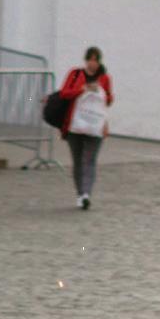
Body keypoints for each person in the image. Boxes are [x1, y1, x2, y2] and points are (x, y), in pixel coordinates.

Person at [57, 47, 113, 209]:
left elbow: (108, 100)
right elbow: (64, 93)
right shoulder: (75, 74)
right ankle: (80, 194)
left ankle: (87, 194)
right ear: (86, 60)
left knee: (90, 160)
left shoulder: (105, 78)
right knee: (77, 160)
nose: (92, 63)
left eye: (96, 60)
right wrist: (81, 90)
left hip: (95, 125)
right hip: (75, 125)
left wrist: (101, 92)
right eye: (90, 59)